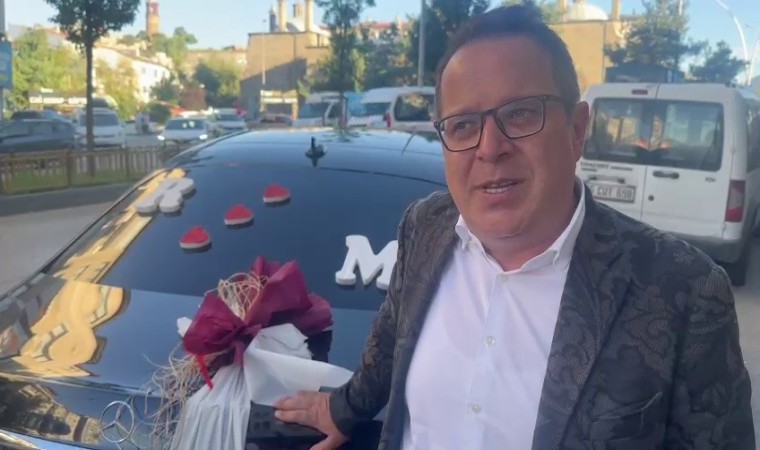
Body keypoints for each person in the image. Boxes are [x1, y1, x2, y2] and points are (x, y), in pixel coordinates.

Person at [274, 5, 754, 450]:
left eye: (521, 113)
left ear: (577, 129)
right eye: (463, 125)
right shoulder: (425, 227)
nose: (490, 148)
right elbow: (390, 341)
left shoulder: (683, 292)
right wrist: (342, 409)